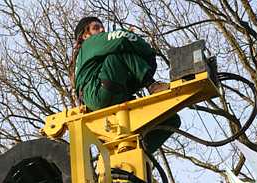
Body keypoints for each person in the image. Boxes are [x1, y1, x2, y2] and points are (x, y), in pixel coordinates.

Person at [70, 17, 181, 153]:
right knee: (118, 52)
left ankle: (138, 151)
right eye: (96, 27)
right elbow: (122, 37)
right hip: (98, 94)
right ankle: (152, 85)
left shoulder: (94, 57)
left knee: (170, 119)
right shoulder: (89, 44)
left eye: (102, 27)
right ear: (85, 35)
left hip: (112, 97)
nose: (102, 30)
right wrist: (148, 52)